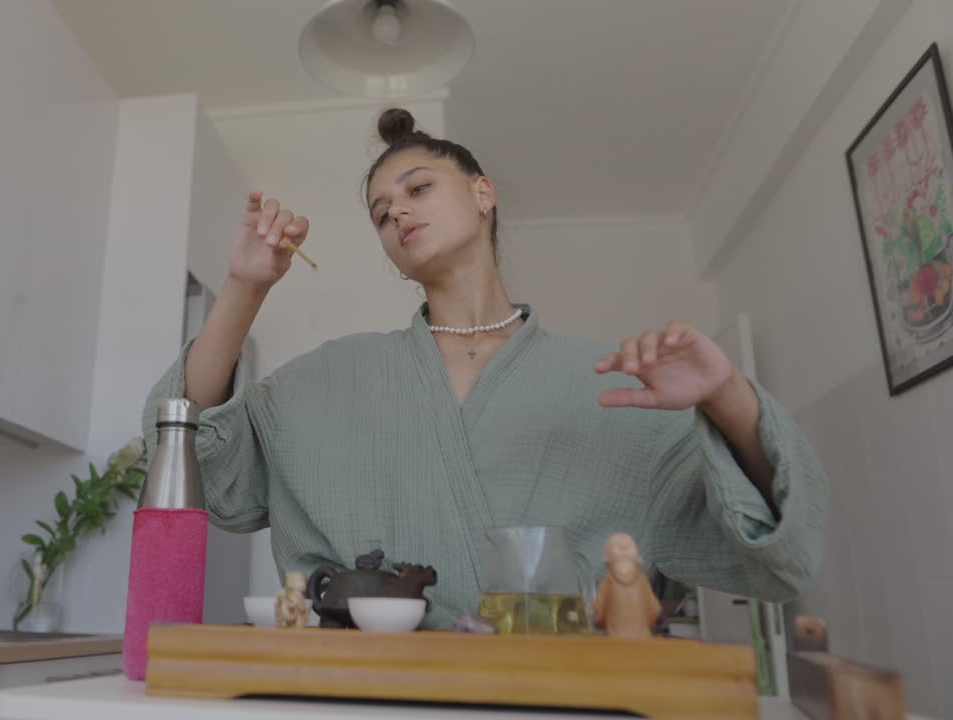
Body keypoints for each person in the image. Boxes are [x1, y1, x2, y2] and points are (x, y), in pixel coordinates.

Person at [143, 108, 827, 628]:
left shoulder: (611, 383)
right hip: (362, 695)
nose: (398, 213)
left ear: (483, 192)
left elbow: (780, 553)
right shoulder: (328, 378)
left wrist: (728, 396)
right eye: (382, 215)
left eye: (417, 188)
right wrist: (245, 288)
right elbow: (186, 453)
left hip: (567, 695)